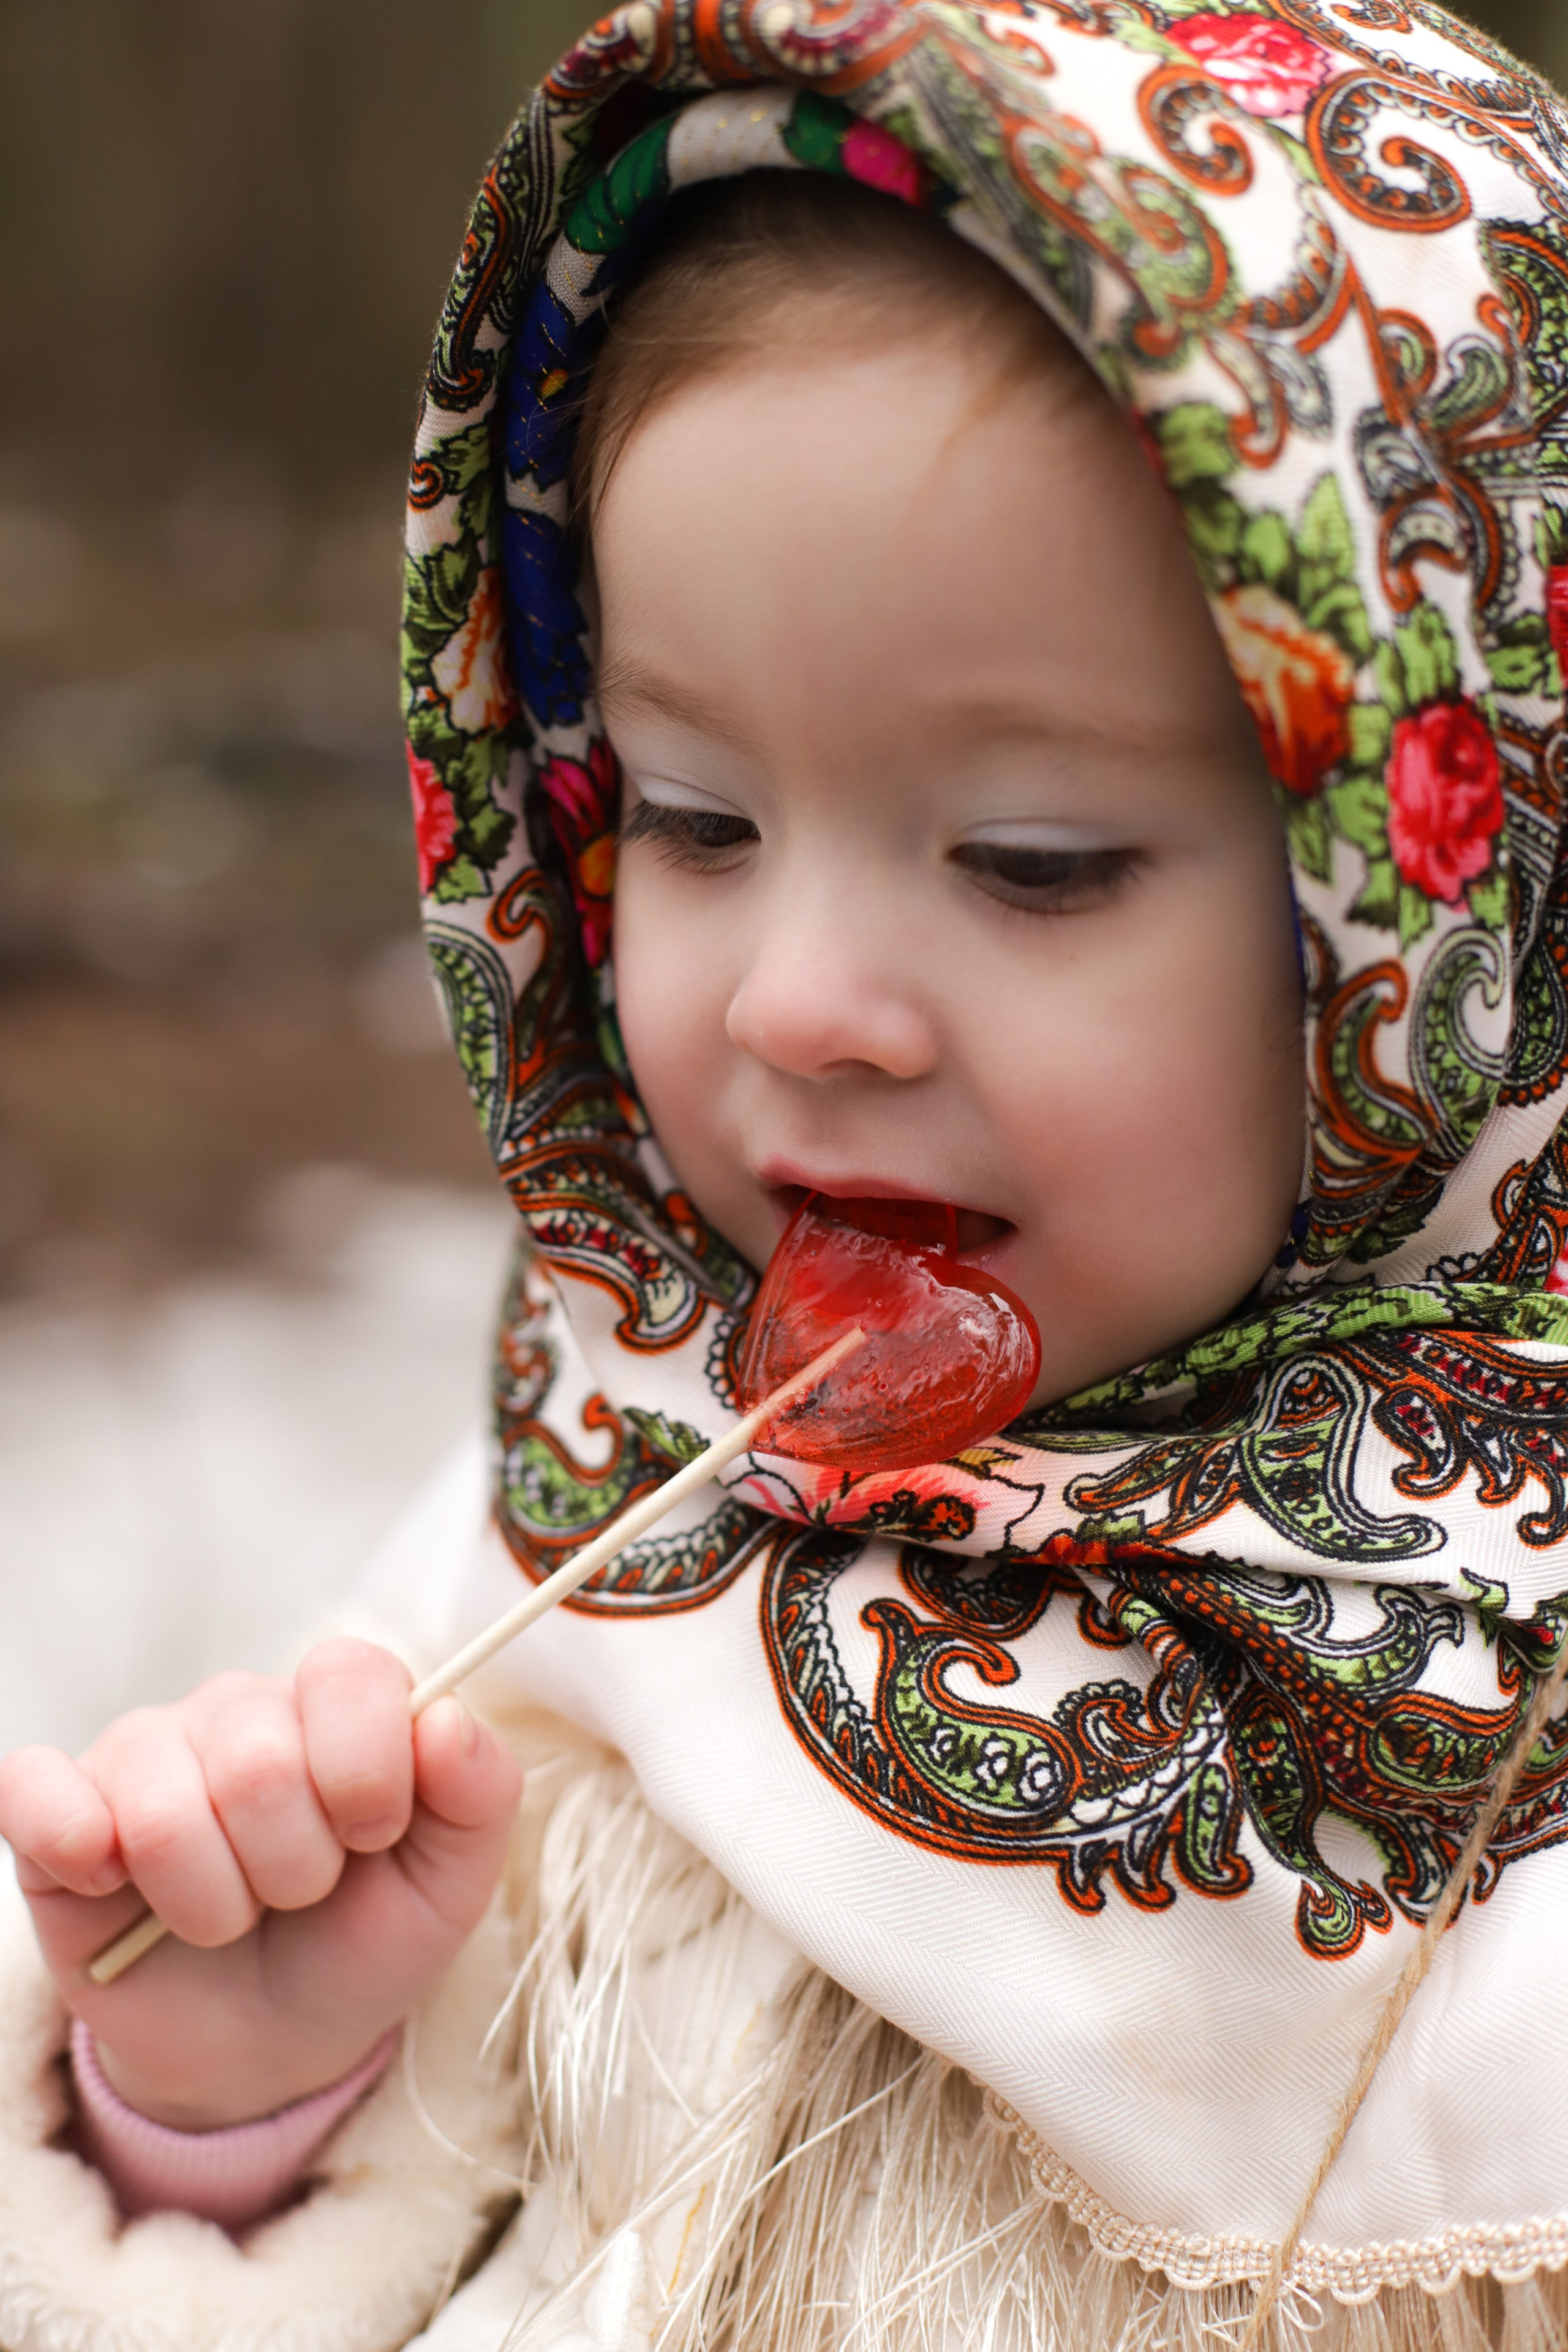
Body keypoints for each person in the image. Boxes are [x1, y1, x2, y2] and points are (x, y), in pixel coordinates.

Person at [2, 3, 1568, 2346]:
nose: (796, 1001)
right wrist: (236, 2098)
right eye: (698, 821)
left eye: (1034, 862)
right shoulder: (587, 1511)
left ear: (1448, 903)